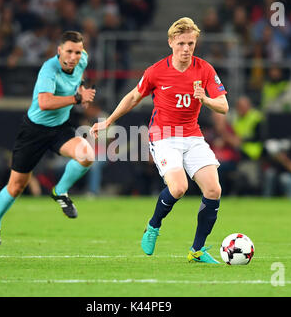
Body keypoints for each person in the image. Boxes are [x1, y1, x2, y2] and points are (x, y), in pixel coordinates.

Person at [91, 17, 228, 264]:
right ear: (171, 43)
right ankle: (153, 226)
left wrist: (205, 99)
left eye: (191, 43)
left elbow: (224, 106)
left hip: (192, 135)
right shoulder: (156, 71)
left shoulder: (205, 69)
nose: (186, 49)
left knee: (213, 189)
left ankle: (197, 251)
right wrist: (109, 121)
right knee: (179, 187)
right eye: (182, 43)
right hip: (164, 137)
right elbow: (134, 96)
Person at [0, 31, 96, 245]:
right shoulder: (49, 70)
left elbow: (80, 77)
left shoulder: (83, 60)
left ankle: (60, 191)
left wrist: (82, 88)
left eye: (77, 52)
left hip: (59, 128)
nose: (73, 56)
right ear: (59, 51)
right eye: (69, 51)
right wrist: (76, 97)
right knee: (17, 186)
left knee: (87, 154)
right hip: (34, 131)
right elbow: (45, 102)